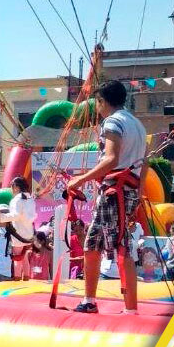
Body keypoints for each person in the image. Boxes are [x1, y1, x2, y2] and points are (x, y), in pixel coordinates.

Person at [66, 79, 147, 314]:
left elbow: (110, 159)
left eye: (97, 103)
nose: (97, 109)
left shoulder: (112, 122)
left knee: (122, 246)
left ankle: (130, 308)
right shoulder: (137, 124)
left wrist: (79, 180)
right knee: (92, 243)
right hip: (125, 189)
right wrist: (139, 191)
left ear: (102, 101)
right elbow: (145, 161)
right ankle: (89, 300)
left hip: (115, 190)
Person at [0, 176, 37, 281]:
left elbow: (15, 215)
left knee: (17, 258)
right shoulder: (30, 199)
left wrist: (1, 217)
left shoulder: (17, 199)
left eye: (12, 185)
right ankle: (26, 279)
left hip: (18, 233)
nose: (11, 188)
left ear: (16, 186)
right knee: (24, 257)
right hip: (28, 233)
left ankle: (17, 280)